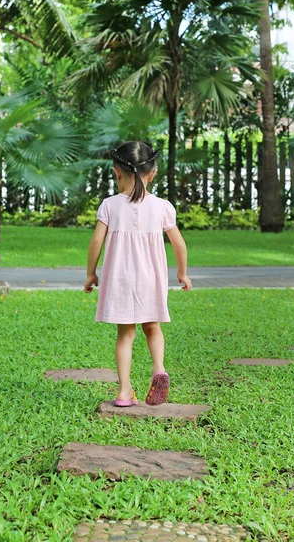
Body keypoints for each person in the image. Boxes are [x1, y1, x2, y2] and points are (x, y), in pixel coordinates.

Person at [84, 141, 192, 407]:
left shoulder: (109, 205)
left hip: (120, 280)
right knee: (152, 327)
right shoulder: (162, 206)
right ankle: (158, 369)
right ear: (152, 173)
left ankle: (123, 391)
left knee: (126, 335)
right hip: (151, 279)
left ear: (116, 172)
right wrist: (182, 273)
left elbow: (96, 242)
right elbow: (179, 243)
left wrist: (91, 273)